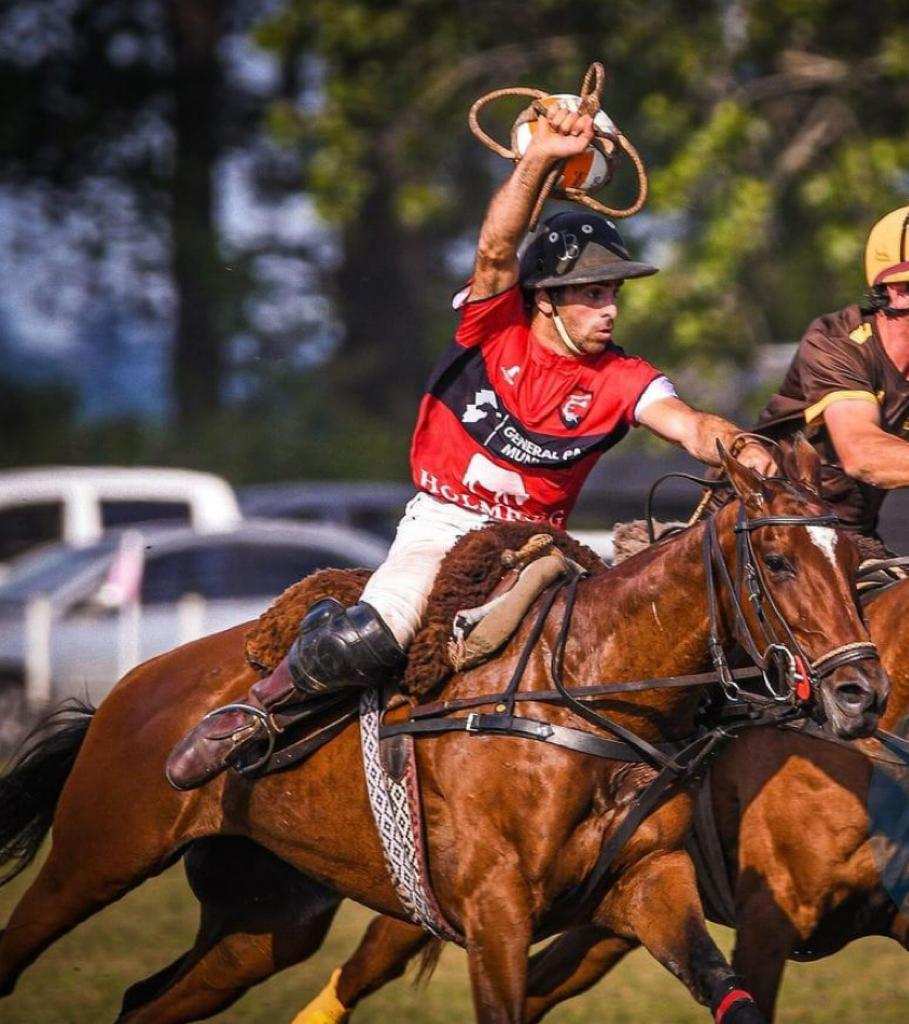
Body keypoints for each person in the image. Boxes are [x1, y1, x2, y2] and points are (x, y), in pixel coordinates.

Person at [166, 102, 773, 790]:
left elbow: (688, 423)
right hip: (442, 527)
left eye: (613, 293)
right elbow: (493, 250)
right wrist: (541, 159)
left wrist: (740, 449)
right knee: (382, 633)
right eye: (593, 293)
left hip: (535, 551)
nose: (610, 308)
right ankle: (254, 713)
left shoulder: (622, 378)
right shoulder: (494, 326)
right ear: (544, 298)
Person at [754, 205, 909, 564]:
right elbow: (863, 455)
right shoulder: (836, 342)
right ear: (899, 291)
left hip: (852, 540)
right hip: (766, 535)